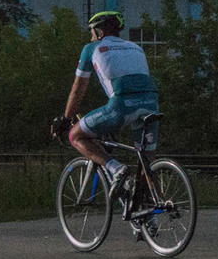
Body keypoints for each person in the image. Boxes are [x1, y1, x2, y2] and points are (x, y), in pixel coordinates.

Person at [59, 11, 160, 208]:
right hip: (151, 103)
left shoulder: (91, 48)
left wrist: (66, 118)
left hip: (121, 106)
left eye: (91, 33)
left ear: (100, 32)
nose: (91, 37)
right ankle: (152, 214)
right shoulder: (136, 47)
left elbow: (78, 88)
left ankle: (116, 168)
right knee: (146, 164)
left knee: (75, 135)